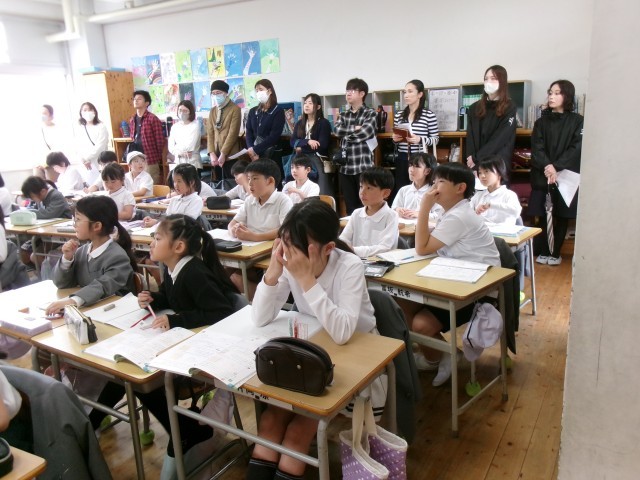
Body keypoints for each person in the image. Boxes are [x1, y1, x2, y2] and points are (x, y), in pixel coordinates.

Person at [91, 215, 239, 475]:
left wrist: (176, 320)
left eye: (158, 238)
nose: (152, 243)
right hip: (184, 342)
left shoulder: (194, 272)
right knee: (125, 370)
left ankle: (91, 425)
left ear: (178, 247)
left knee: (135, 378)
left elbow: (221, 312)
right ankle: (179, 428)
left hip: (206, 351)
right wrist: (154, 298)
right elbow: (174, 298)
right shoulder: (173, 269)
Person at [248, 199, 378, 479]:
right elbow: (259, 317)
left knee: (298, 431)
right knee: (270, 420)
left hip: (358, 356)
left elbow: (342, 333)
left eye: (297, 247)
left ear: (328, 248)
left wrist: (307, 279)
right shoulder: (292, 262)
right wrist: (273, 272)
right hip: (312, 351)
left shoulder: (349, 266)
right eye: (285, 244)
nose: (290, 255)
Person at [401, 163, 500, 385]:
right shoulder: (451, 213)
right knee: (400, 301)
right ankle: (440, 353)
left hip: (476, 291)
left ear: (460, 188)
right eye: (434, 182)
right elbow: (429, 245)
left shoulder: (459, 216)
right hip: (454, 279)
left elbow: (422, 248)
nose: (434, 188)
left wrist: (424, 207)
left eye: (441, 182)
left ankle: (437, 357)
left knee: (421, 325)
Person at [44, 195, 136, 314]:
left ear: (97, 226)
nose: (74, 224)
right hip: (88, 310)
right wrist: (67, 259)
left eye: (78, 219)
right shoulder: (81, 251)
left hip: (114, 313)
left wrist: (73, 300)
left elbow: (103, 286)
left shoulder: (117, 257)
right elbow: (61, 283)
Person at [530, 79, 583, 266]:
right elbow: (537, 148)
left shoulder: (577, 121)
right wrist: (548, 166)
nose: (551, 96)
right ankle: (544, 250)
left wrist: (557, 166)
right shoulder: (540, 122)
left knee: (561, 215)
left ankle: (555, 252)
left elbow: (576, 148)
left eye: (557, 93)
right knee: (544, 212)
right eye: (550, 92)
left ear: (567, 96)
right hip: (543, 174)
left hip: (565, 175)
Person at [334, 78, 377, 214]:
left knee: (366, 204)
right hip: (345, 167)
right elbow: (337, 131)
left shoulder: (370, 113)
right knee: (350, 206)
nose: (348, 93)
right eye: (347, 90)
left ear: (362, 94)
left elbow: (366, 133)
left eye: (352, 90)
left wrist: (347, 135)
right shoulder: (343, 114)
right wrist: (355, 128)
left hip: (363, 166)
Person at [391, 80, 439, 200]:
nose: (406, 95)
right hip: (402, 156)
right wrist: (395, 139)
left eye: (410, 91)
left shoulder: (428, 115)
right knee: (401, 188)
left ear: (420, 94)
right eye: (405, 92)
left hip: (420, 159)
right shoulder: (399, 115)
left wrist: (420, 139)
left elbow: (435, 139)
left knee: (420, 189)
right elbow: (396, 139)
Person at [465, 65, 517, 173]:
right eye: (486, 79)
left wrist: (477, 157)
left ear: (502, 81)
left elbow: (500, 138)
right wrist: (472, 160)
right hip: (475, 163)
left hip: (497, 163)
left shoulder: (509, 107)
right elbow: (470, 137)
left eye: (493, 78)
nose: (488, 82)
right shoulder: (474, 108)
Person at [228, 159, 292, 242]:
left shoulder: (283, 200)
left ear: (270, 181)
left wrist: (256, 237)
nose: (250, 183)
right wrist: (233, 230)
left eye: (254, 178)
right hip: (250, 245)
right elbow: (232, 223)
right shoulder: (249, 200)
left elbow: (286, 229)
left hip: (271, 246)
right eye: (249, 178)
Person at [340, 167, 398, 257]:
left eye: (369, 188)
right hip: (356, 259)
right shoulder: (356, 213)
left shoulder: (391, 216)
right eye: (361, 187)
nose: (362, 192)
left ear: (385, 193)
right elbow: (343, 239)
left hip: (381, 262)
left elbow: (385, 247)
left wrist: (354, 250)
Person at [143, 164, 203, 228]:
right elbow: (167, 219)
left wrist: (159, 224)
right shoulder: (174, 199)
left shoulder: (196, 200)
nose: (176, 185)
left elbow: (185, 224)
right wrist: (156, 222)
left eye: (179, 181)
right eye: (174, 181)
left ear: (191, 182)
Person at [207, 80, 241, 183]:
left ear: (226, 93)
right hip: (216, 155)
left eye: (218, 93)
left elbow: (233, 134)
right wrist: (212, 153)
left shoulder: (235, 109)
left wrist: (223, 154)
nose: (215, 96)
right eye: (213, 93)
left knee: (231, 183)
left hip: (230, 155)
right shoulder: (213, 110)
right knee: (218, 184)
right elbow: (210, 133)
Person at [470, 155, 521, 225]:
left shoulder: (509, 195)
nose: (482, 176)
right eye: (480, 173)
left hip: (503, 231)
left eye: (486, 171)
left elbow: (516, 212)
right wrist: (474, 213)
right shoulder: (478, 195)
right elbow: (466, 214)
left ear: (499, 173)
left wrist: (491, 205)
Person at [129, 90, 165, 184]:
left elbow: (160, 141)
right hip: (135, 158)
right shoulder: (132, 119)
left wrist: (156, 157)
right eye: (134, 99)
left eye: (139, 99)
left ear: (147, 103)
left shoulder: (152, 118)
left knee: (152, 185)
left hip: (149, 159)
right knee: (136, 183)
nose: (136, 101)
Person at [391, 152, 441, 220]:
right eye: (410, 165)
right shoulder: (404, 190)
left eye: (417, 166)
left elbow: (439, 215)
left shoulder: (434, 192)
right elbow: (393, 209)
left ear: (427, 171)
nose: (411, 169)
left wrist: (420, 214)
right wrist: (397, 210)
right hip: (404, 225)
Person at [245, 79, 285, 162]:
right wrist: (251, 149)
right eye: (256, 91)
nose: (258, 93)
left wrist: (255, 150)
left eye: (261, 89)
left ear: (269, 91)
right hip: (253, 153)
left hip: (271, 153)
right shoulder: (253, 111)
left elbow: (274, 136)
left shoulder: (278, 111)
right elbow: (249, 132)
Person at [75, 102, 109, 185]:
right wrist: (83, 160)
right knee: (89, 185)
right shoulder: (80, 128)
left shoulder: (101, 127)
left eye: (90, 109)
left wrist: (88, 159)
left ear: (94, 111)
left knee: (101, 184)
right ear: (81, 113)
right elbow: (78, 147)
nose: (87, 112)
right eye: (84, 110)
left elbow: (100, 146)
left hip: (98, 161)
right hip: (84, 164)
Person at [290, 93, 331, 158]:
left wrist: (301, 149)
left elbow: (322, 145)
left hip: (318, 158)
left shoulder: (324, 123)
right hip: (301, 158)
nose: (306, 105)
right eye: (305, 103)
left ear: (318, 107)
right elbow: (292, 141)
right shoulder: (299, 123)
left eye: (310, 103)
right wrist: (308, 141)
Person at [168, 100, 202, 172]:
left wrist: (177, 149)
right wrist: (180, 153)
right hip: (178, 162)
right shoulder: (175, 126)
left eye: (185, 111)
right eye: (180, 110)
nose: (182, 113)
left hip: (192, 163)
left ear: (190, 112)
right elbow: (170, 147)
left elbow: (189, 147)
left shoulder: (195, 125)